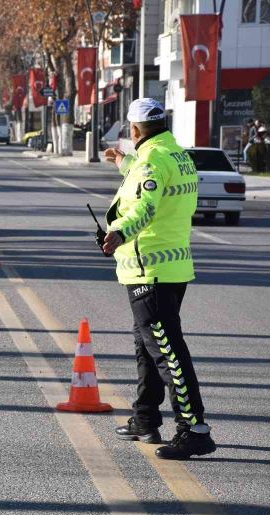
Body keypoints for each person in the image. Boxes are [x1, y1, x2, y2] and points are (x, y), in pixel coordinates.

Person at [102, 98, 216, 460]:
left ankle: (194, 428)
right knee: (147, 347)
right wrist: (124, 163)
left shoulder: (152, 160)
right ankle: (145, 418)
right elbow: (150, 184)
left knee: (166, 351)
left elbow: (146, 207)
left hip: (148, 267)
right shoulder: (177, 156)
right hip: (172, 266)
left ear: (134, 130)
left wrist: (119, 231)